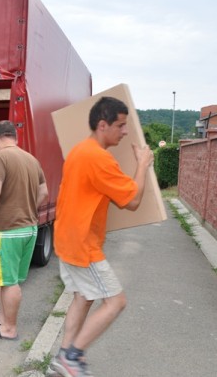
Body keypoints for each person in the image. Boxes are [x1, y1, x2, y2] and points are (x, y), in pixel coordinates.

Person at [50, 97, 154, 376]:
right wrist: (142, 164)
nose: (124, 132)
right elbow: (131, 200)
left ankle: (62, 356)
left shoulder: (79, 151)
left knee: (83, 297)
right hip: (84, 246)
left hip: (67, 239)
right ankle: (73, 356)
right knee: (116, 302)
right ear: (102, 125)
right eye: (120, 126)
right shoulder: (98, 158)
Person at [0, 120, 48, 340]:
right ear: (15, 137)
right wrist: (26, 206)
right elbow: (44, 193)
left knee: (9, 282)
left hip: (7, 231)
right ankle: (2, 317)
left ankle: (9, 328)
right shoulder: (32, 160)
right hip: (29, 229)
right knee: (4, 279)